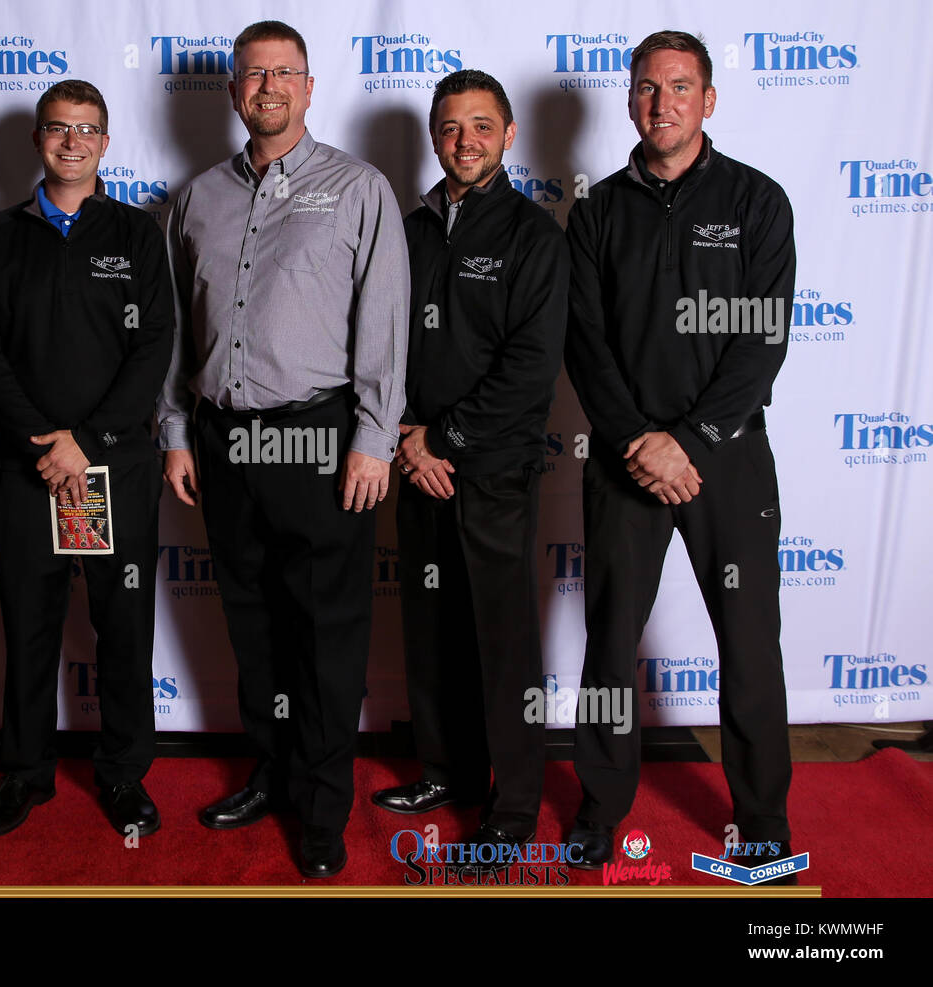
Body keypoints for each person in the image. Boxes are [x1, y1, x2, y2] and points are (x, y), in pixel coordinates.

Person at [158, 20, 409, 878]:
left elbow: (382, 324)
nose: (267, 87)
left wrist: (375, 440)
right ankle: (269, 772)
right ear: (232, 91)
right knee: (253, 626)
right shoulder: (196, 199)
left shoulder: (358, 188)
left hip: (319, 438)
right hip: (223, 442)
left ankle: (323, 804)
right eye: (251, 74)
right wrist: (176, 430)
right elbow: (173, 332)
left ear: (309, 87)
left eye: (283, 73)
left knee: (328, 632)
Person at [563, 30, 794, 873]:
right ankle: (600, 805)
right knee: (609, 635)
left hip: (725, 455)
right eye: (647, 89)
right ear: (629, 99)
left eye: (679, 87)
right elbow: (585, 344)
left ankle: (764, 819)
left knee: (749, 637)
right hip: (626, 459)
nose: (661, 104)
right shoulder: (593, 214)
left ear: (707, 99)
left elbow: (762, 342)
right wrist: (637, 441)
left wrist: (689, 440)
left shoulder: (758, 201)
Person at [0, 80, 174, 839]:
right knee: (30, 624)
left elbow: (154, 349)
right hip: (29, 471)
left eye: (87, 130)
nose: (72, 142)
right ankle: (24, 773)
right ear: (38, 140)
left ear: (106, 143)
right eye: (58, 129)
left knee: (122, 625)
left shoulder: (136, 234)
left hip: (110, 468)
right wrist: (45, 444)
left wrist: (84, 443)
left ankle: (122, 773)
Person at [371, 70, 567, 854]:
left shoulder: (535, 238)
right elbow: (381, 345)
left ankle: (515, 804)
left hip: (489, 473)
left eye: (482, 126)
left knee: (502, 643)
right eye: (451, 128)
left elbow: (529, 367)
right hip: (416, 466)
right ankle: (446, 770)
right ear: (433, 137)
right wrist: (403, 437)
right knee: (430, 631)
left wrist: (443, 441)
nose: (465, 141)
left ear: (509, 135)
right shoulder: (409, 229)